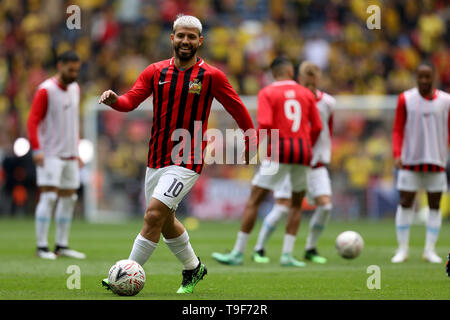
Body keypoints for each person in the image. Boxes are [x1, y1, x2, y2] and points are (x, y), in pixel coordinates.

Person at [98, 15, 257, 293]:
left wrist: (250, 141)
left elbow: (238, 109)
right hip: (156, 159)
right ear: (172, 38)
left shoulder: (212, 76)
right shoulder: (155, 72)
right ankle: (194, 269)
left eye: (191, 37)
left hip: (188, 159)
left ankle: (124, 274)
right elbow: (130, 101)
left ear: (200, 41)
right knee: (166, 220)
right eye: (181, 36)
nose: (185, 41)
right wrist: (115, 101)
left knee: (153, 215)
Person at [211, 57, 322, 267]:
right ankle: (287, 255)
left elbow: (266, 123)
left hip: (279, 152)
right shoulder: (306, 94)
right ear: (291, 71)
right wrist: (307, 145)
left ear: (273, 73)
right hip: (302, 152)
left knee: (255, 200)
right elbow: (316, 126)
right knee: (296, 204)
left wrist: (252, 148)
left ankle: (238, 252)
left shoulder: (268, 92)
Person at [251, 61, 335, 265]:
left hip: (315, 164)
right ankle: (259, 248)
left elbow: (326, 131)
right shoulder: (296, 97)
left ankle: (309, 248)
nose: (310, 85)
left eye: (313, 81)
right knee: (282, 208)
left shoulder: (329, 103)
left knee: (325, 206)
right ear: (299, 79)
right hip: (294, 159)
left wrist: (321, 152)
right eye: (307, 81)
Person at [27, 51, 86, 260]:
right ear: (60, 66)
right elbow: (33, 120)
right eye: (71, 69)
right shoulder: (46, 90)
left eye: (77, 70)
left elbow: (73, 122)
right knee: (50, 196)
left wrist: (77, 150)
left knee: (69, 198)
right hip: (50, 153)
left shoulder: (75, 89)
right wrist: (36, 149)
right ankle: (42, 247)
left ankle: (61, 245)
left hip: (70, 154)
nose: (74, 74)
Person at [391, 62, 449, 263]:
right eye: (420, 76)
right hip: (410, 160)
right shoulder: (405, 99)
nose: (424, 80)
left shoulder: (446, 101)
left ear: (434, 77)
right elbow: (397, 129)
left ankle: (430, 250)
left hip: (437, 160)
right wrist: (397, 152)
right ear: (416, 77)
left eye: (427, 76)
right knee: (405, 202)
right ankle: (402, 250)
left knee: (434, 204)